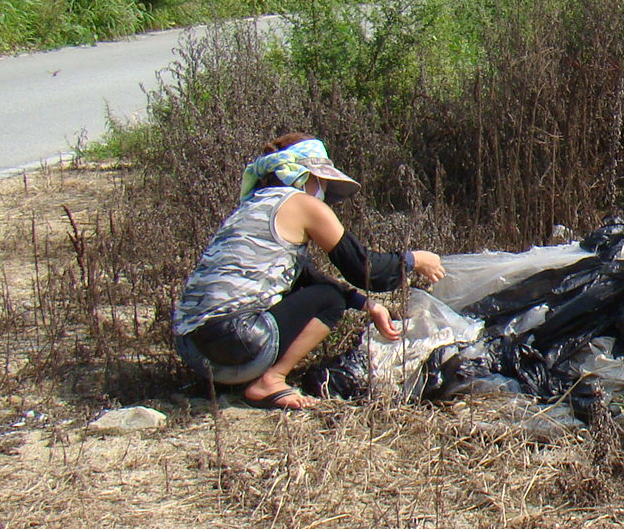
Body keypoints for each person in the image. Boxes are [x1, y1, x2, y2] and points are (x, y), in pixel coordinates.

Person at [171, 134, 447, 410]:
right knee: (330, 300)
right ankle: (272, 380)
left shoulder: (252, 207)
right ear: (305, 176)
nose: (324, 191)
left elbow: (302, 276)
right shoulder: (303, 204)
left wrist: (368, 306)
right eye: (322, 181)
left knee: (320, 292)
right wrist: (413, 260)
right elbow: (366, 270)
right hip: (236, 341)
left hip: (193, 350)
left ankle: (245, 379)